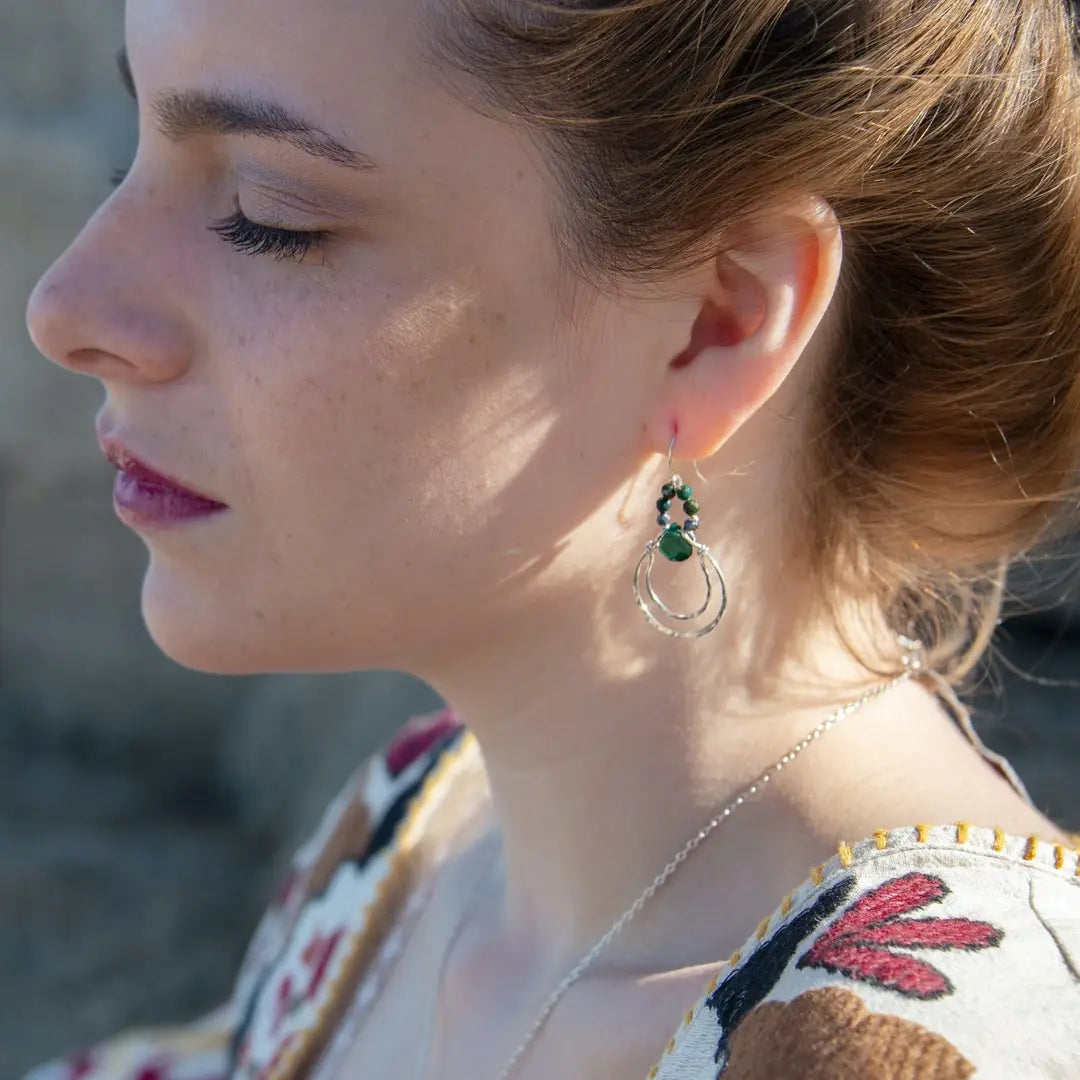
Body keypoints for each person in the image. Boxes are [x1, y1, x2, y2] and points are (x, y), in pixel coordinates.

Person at [21, 0, 1080, 1077]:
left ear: (717, 324)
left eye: (267, 214)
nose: (61, 308)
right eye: (128, 161)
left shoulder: (925, 1051)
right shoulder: (415, 838)